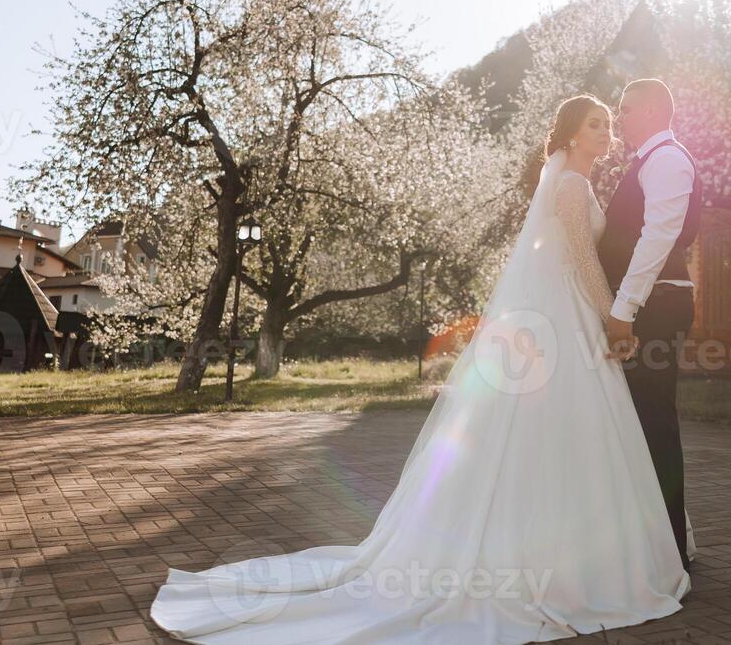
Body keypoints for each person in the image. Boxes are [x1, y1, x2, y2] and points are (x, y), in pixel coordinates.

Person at [150, 94, 689, 644]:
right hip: (569, 315)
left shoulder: (573, 182)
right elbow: (581, 260)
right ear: (572, 135)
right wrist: (613, 319)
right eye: (594, 124)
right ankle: (567, 562)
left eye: (607, 124)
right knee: (567, 428)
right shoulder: (572, 186)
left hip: (557, 313)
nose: (606, 132)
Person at [599, 78, 702, 573]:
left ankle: (670, 552)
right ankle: (658, 542)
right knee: (642, 422)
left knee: (655, 422)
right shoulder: (648, 161)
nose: (620, 118)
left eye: (627, 108)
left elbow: (659, 236)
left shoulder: (668, 160)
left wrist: (624, 308)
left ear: (658, 110)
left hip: (656, 306)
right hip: (650, 304)